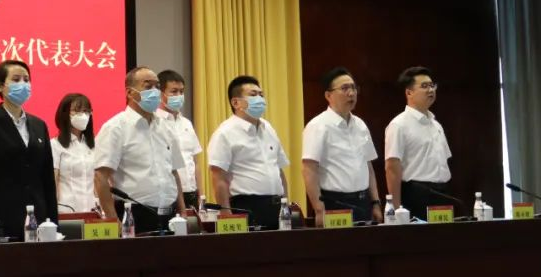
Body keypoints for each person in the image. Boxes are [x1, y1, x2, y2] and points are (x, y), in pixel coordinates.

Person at [0, 59, 57, 239]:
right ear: (0, 86)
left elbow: (47, 178)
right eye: (16, 79)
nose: (23, 84)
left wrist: (53, 221)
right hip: (2, 219)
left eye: (26, 79)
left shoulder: (39, 125)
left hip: (39, 219)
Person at [94, 66, 186, 234]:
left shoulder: (166, 126)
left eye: (157, 86)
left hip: (170, 214)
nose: (155, 91)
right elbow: (101, 177)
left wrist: (183, 211)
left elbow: (173, 172)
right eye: (148, 86)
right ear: (130, 93)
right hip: (134, 215)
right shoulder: (115, 127)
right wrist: (113, 220)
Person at [207, 75, 290, 230]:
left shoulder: (268, 128)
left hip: (277, 206)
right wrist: (226, 214)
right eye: (253, 95)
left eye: (261, 95)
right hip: (246, 207)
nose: (260, 99)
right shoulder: (225, 133)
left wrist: (286, 204)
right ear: (236, 103)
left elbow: (279, 170)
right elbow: (218, 177)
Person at [301, 67, 382, 226]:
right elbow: (308, 168)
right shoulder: (318, 126)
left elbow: (368, 166)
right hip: (335, 204)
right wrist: (319, 209)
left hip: (363, 202)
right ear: (328, 95)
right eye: (344, 88)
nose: (351, 93)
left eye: (353, 88)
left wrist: (375, 203)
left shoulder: (360, 125)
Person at [385, 66, 452, 220]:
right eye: (424, 86)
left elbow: (444, 162)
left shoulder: (436, 125)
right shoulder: (399, 125)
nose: (431, 90)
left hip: (442, 194)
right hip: (416, 195)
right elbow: (392, 168)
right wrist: (396, 209)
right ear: (409, 92)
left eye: (432, 85)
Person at [156, 69, 204, 211]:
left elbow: (195, 162)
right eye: (174, 91)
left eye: (181, 92)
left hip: (191, 193)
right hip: (168, 195)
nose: (179, 96)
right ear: (160, 94)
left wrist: (201, 195)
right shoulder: (155, 122)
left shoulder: (186, 123)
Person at [51, 93, 97, 214]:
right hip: (66, 210)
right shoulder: (55, 145)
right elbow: (53, 182)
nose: (83, 115)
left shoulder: (95, 145)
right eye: (77, 111)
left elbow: (98, 179)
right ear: (64, 114)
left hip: (93, 210)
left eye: (86, 111)